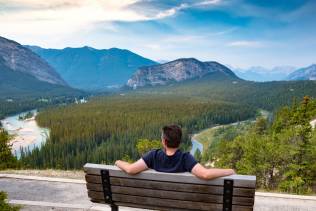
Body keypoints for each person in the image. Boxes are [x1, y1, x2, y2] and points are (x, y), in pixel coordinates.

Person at [115, 125, 235, 180]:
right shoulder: (186, 158)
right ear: (179, 141)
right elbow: (205, 174)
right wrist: (230, 171)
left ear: (164, 142)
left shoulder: (153, 155)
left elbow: (130, 169)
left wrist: (118, 162)